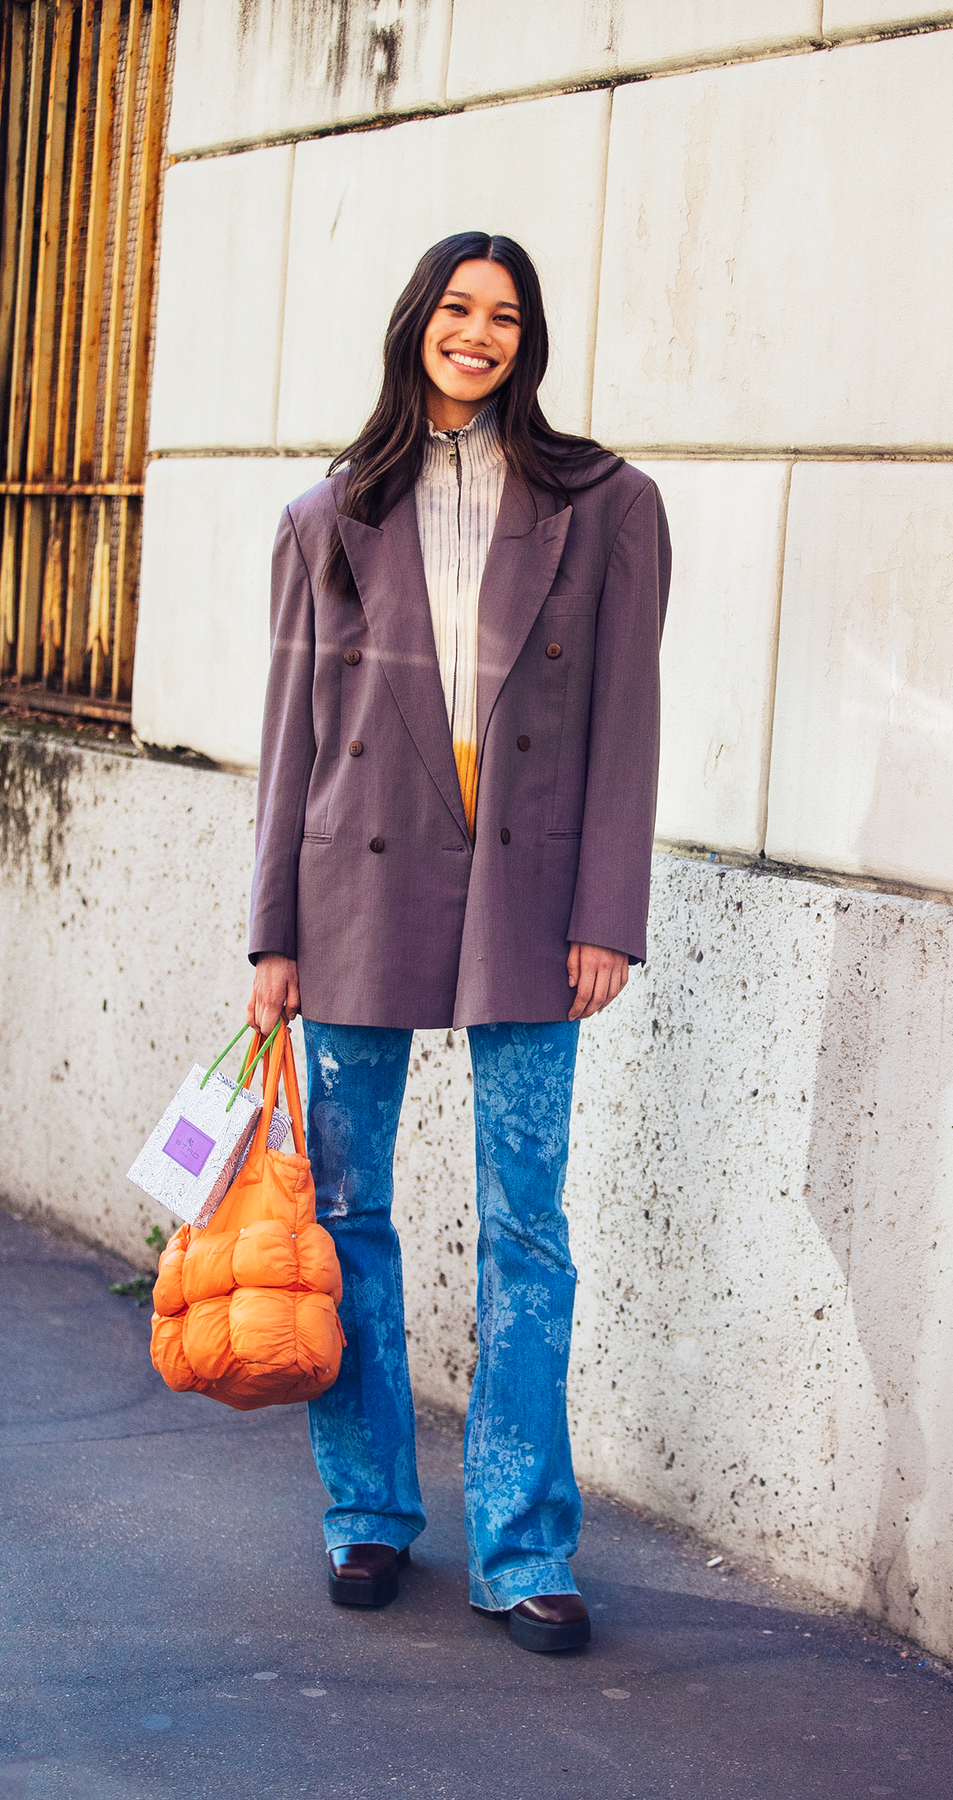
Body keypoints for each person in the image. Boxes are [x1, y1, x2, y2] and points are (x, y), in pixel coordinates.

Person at [245, 231, 670, 1654]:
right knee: (349, 1214)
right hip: (356, 883)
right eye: (456, 308)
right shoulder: (326, 515)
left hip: (530, 892)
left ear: (527, 340)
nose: (477, 334)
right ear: (415, 321)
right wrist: (271, 939)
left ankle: (523, 1541)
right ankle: (366, 1513)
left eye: (504, 316)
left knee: (526, 1227)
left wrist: (609, 909)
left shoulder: (607, 505)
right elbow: (287, 742)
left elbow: (628, 720)